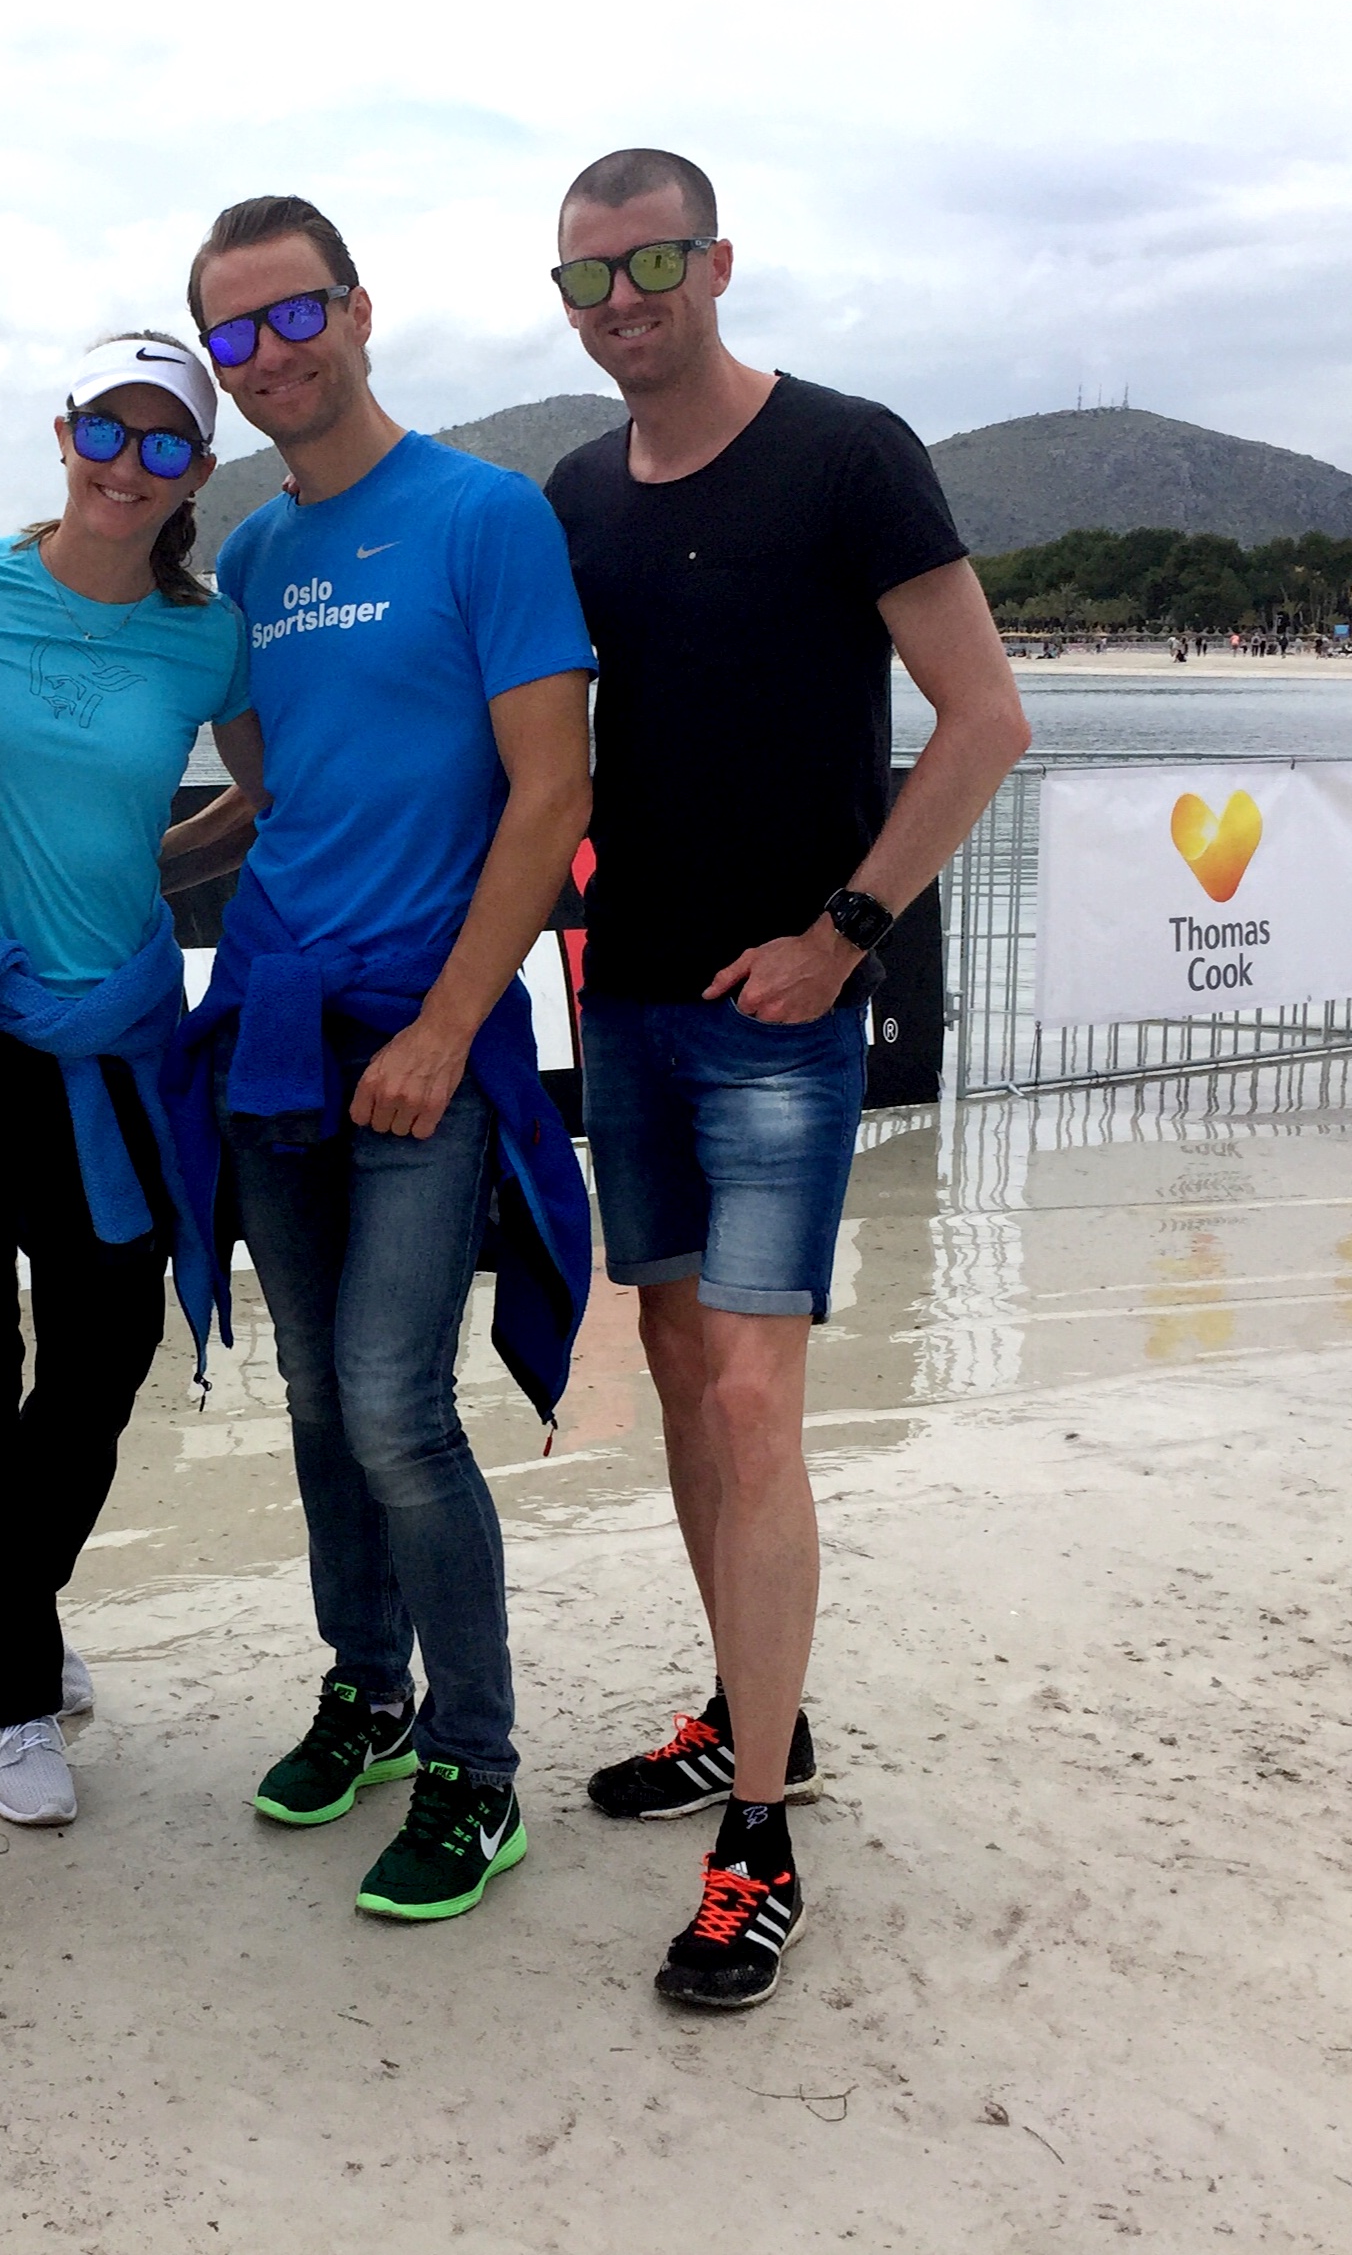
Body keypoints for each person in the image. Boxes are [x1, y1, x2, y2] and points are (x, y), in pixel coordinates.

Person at [542, 149, 1030, 2009]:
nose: (620, 301)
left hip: (780, 1011)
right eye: (586, 277)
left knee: (752, 1392)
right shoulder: (577, 493)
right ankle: (760, 1714)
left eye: (649, 262)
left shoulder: (845, 454)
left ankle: (755, 1836)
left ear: (717, 259)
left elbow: (983, 718)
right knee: (678, 1371)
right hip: (628, 999)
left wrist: (844, 931)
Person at [166, 197, 596, 1924]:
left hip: (428, 1031)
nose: (269, 354)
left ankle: (477, 1767)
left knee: (397, 1407)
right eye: (234, 333)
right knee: (314, 1398)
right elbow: (265, 800)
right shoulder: (253, 562)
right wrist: (77, 881)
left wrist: (441, 1027)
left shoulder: (485, 516)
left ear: (356, 310)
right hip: (276, 1025)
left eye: (294, 314)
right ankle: (369, 1690)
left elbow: (551, 793)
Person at [0, 332, 255, 1828]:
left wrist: (141, 871)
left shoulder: (207, 638)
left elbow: (268, 790)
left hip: (115, 1045)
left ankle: (7, 1608)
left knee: (104, 1361)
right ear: (63, 433)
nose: (127, 465)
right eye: (107, 429)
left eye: (164, 443)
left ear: (197, 471)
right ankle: (17, 1697)